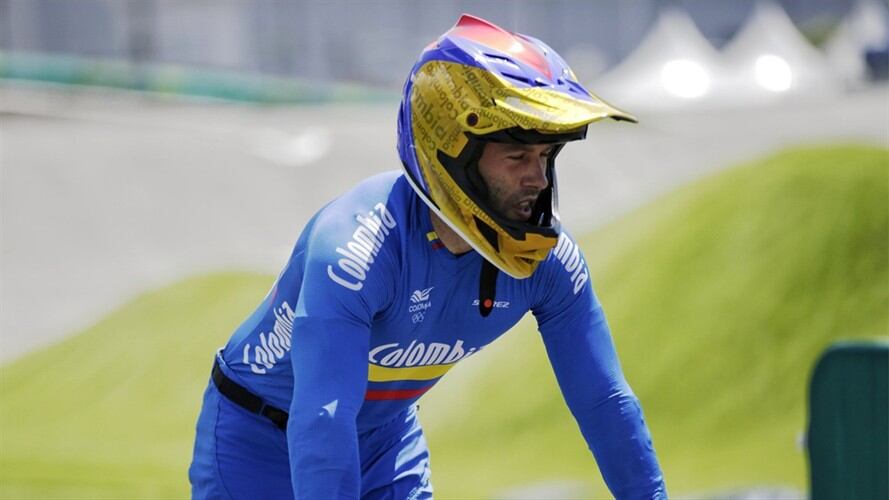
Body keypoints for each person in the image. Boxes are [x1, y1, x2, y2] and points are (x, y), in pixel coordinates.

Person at [189, 14, 666, 499]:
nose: (539, 180)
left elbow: (605, 403)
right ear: (454, 152)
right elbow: (324, 419)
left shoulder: (551, 264)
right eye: (517, 158)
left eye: (546, 157)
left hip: (384, 439)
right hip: (255, 439)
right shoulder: (357, 250)